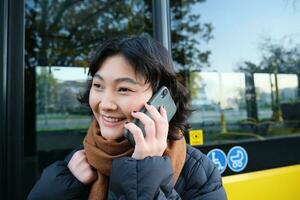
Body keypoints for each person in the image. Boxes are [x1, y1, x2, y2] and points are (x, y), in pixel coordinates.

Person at [27, 35, 227, 200]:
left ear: (159, 98)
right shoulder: (79, 161)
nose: (105, 104)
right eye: (98, 86)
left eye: (123, 89)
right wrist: (62, 185)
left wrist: (145, 173)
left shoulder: (198, 172)